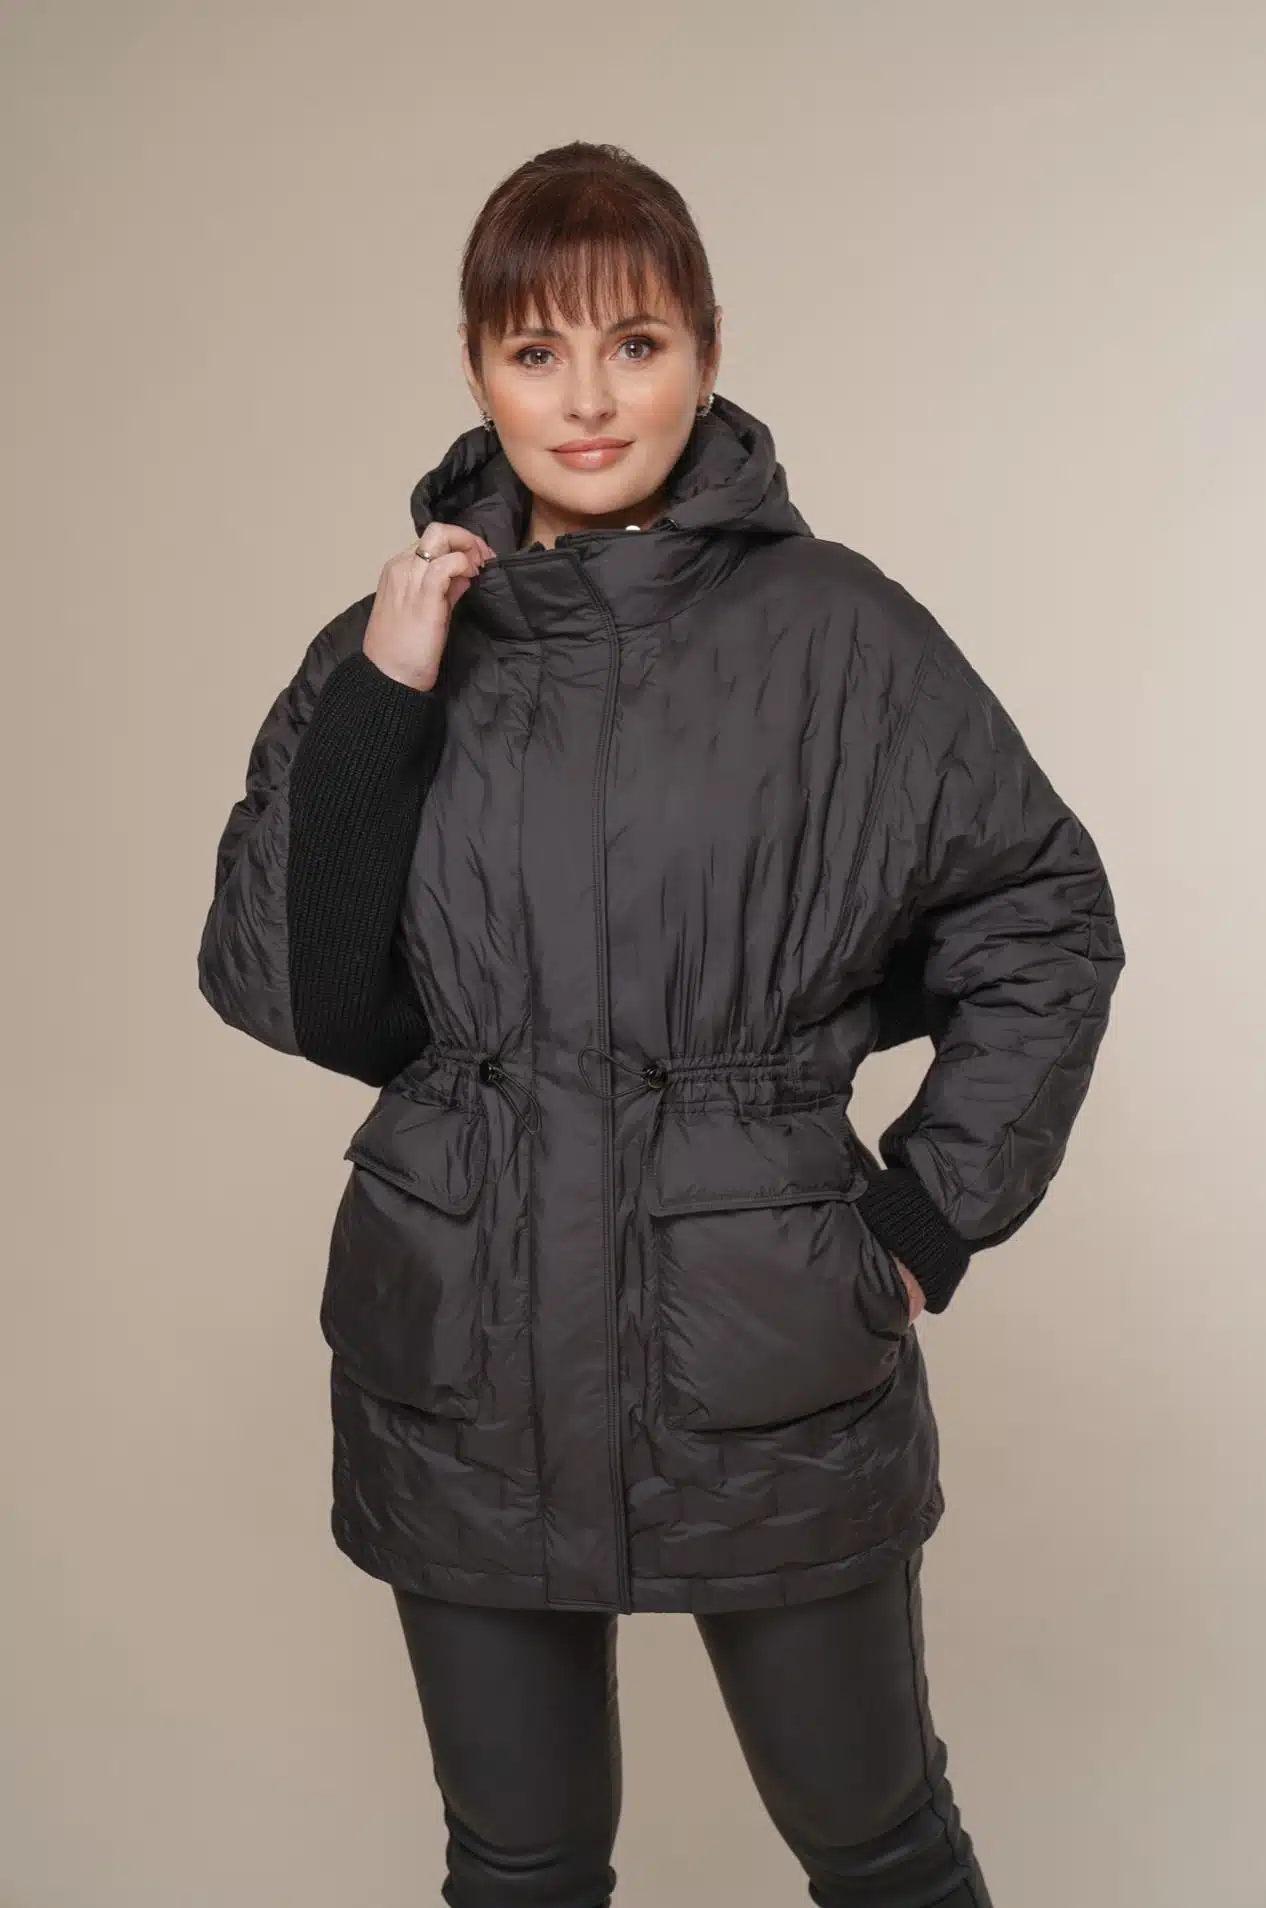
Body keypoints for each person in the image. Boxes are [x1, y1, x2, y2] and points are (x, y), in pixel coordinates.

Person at [198, 140, 1126, 1908]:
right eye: (534, 350)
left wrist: (926, 1218)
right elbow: (294, 994)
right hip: (463, 1347)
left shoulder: (838, 633)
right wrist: (386, 699)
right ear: (475, 369)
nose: (587, 398)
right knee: (518, 1868)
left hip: (761, 1344)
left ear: (705, 351)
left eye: (632, 343)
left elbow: (1040, 919)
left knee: (878, 1850)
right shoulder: (384, 647)